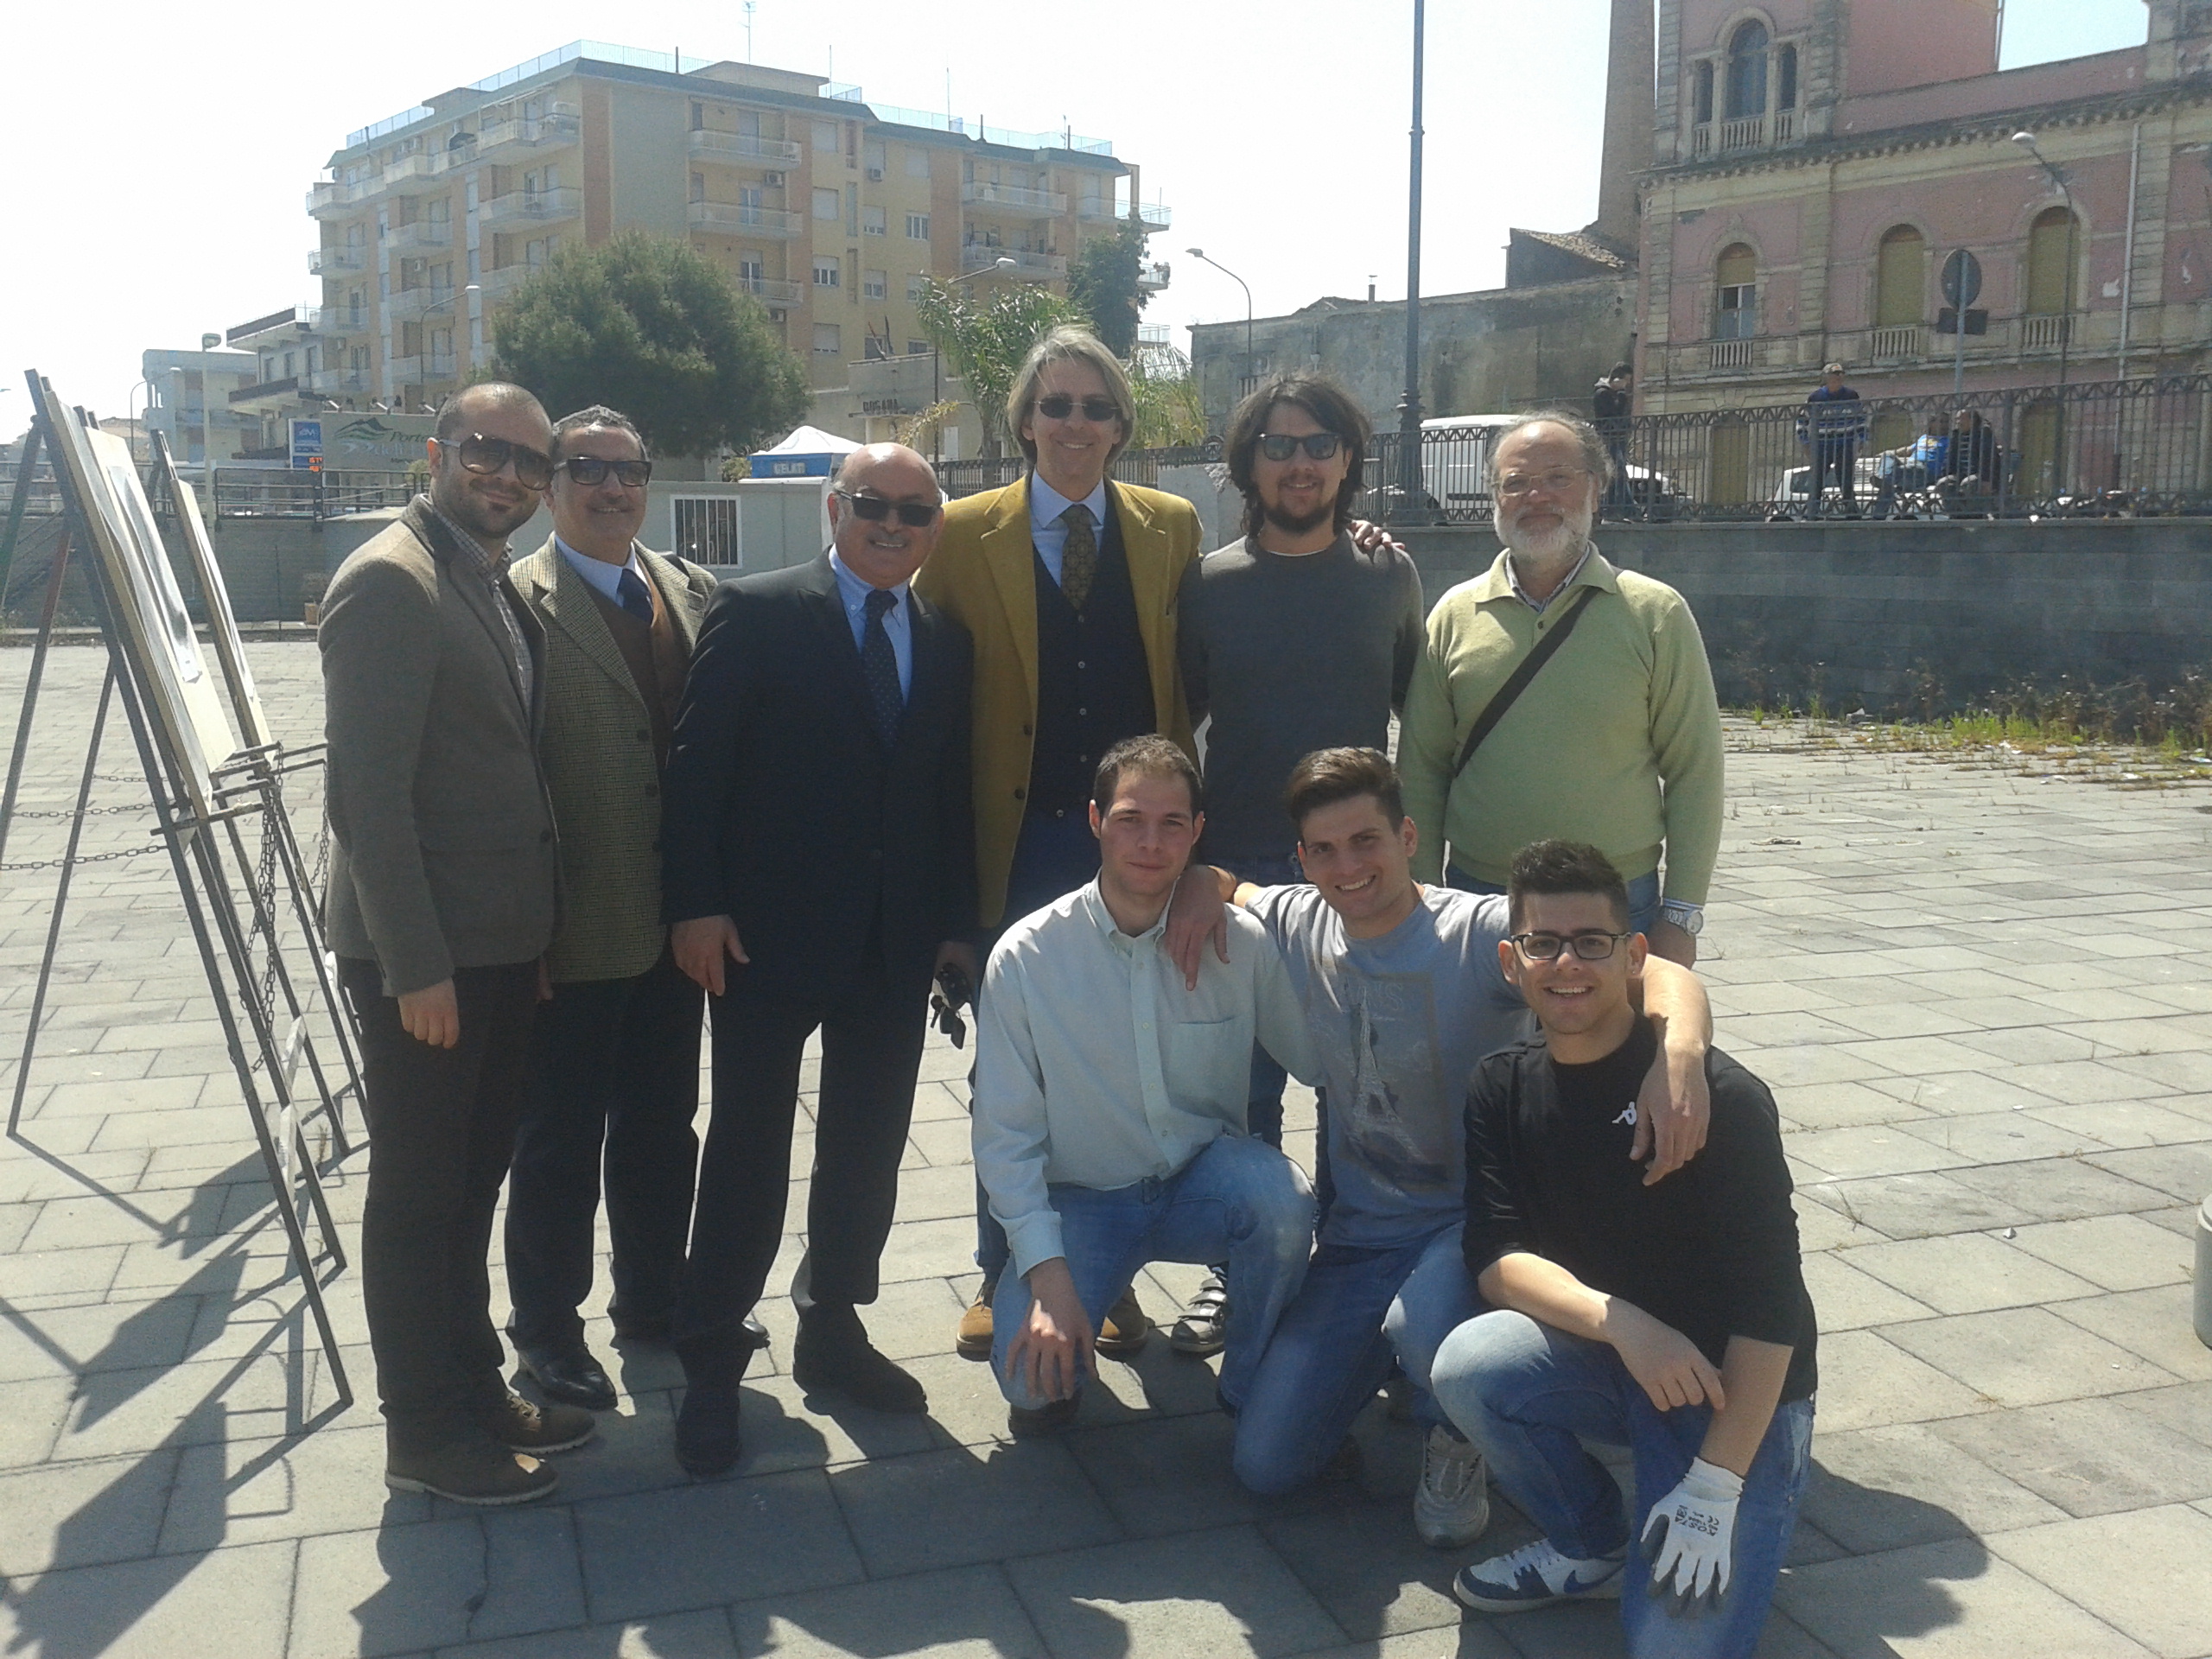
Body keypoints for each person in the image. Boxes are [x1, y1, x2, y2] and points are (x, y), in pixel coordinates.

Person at [1219, 750, 1713, 1551]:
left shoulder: (1476, 930)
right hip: (1359, 1239)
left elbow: (1658, 973)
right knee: (1266, 1466)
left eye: (1367, 840)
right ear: (1302, 860)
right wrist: (1203, 900)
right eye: (1326, 850)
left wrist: (1680, 1056)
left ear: (1408, 836)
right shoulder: (1296, 916)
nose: (1350, 867)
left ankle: (1456, 1432)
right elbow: (1219, 883)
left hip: (1474, 1228)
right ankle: (1382, 1373)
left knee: (1430, 1334)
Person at [659, 443, 976, 1478]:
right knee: (747, 1146)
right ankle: (712, 1357)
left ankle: (833, 1325)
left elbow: (945, 793)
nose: (893, 525)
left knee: (867, 1143)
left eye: (915, 512)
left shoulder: (943, 633)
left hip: (890, 943)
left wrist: (955, 927)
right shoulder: (756, 612)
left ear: (936, 525)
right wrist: (695, 906)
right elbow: (696, 772)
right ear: (834, 508)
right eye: (873, 505)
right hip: (764, 937)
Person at [1430, 840, 1816, 1658]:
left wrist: (1715, 1487)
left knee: (1669, 1649)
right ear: (1512, 960)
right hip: (1626, 1356)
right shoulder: (1500, 1084)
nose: (1567, 963)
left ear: (1634, 953)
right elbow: (1495, 1254)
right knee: (1470, 1362)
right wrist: (1622, 1324)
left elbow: (1773, 1311)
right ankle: (1590, 1541)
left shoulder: (1719, 1099)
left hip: (1728, 1393)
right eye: (1543, 942)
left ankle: (1714, 1492)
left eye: (1592, 942)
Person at [321, 381, 591, 1505]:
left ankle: (474, 1383)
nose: (511, 477)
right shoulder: (391, 580)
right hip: (425, 963)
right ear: (440, 450)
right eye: (489, 452)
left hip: (493, 946)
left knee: (472, 1183)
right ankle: (423, 1431)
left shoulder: (476, 576)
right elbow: (366, 799)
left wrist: (522, 939)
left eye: (533, 464)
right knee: (421, 1196)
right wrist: (415, 966)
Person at [915, 327, 1205, 1360]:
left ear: (1120, 426)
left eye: (1094, 408)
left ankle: (1106, 1272)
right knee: (1015, 1068)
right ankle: (1004, 1266)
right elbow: (935, 716)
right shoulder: (957, 533)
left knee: (1124, 1065)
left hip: (1131, 844)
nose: (1074, 425)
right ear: (1024, 421)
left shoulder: (1171, 527)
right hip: (1019, 840)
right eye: (1055, 406)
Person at [1169, 375, 1424, 1356]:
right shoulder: (1210, 582)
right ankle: (1241, 1273)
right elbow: (1179, 718)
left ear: (1349, 459)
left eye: (1319, 442)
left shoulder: (1385, 576)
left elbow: (1421, 720)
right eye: (1277, 445)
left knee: (1361, 1093)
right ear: (1247, 465)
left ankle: (1353, 1281)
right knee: (1241, 1093)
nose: (1300, 461)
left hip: (1355, 877)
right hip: (1236, 870)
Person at [972, 736, 1320, 1436]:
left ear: (1197, 834)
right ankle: (1086, 1304)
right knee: (1027, 1385)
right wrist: (1047, 1278)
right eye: (1130, 820)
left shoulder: (1240, 943)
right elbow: (1004, 1137)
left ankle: (1252, 1387)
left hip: (1200, 1183)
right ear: (1096, 822)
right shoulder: (1028, 957)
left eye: (1172, 825)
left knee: (1284, 1202)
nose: (1151, 843)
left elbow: (1318, 1061)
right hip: (1085, 1200)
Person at [500, 406, 722, 1411]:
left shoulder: (688, 588)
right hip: (571, 927)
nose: (611, 487)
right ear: (551, 487)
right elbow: (501, 778)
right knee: (557, 1141)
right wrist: (523, 929)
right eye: (585, 470)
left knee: (662, 1127)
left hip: (674, 924)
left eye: (627, 469)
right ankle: (546, 1331)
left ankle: (654, 1300)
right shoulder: (515, 599)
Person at [1397, 411, 1723, 969]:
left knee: (1608, 1055)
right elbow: (1422, 767)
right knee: (1483, 1055)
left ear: (1596, 490)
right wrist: (1426, 899)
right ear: (1494, 498)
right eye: (1515, 482)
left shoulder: (1653, 613)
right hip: (1479, 900)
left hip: (1619, 905)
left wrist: (1681, 915)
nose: (1536, 496)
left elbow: (1695, 769)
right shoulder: (1454, 614)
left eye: (1557, 478)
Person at [1796, 363, 1867, 519]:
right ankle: (1812, 512)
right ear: (1826, 378)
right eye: (1835, 375)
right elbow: (1802, 420)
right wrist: (1805, 442)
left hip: (1845, 441)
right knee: (1818, 478)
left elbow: (1860, 419)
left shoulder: (1851, 395)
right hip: (1823, 443)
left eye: (1840, 375)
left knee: (1846, 477)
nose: (1838, 378)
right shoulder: (1816, 397)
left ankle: (1851, 512)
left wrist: (1862, 439)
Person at [1868, 416, 1948, 520]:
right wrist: (1890, 452)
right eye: (1941, 421)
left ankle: (1883, 481)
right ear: (1931, 424)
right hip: (1909, 468)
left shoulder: (1949, 440)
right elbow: (1908, 449)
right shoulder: (1924, 438)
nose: (1944, 424)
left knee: (1892, 478)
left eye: (1946, 422)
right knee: (1888, 456)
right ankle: (1884, 480)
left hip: (1925, 470)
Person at [1592, 364, 1635, 518]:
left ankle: (1627, 507)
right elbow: (1612, 415)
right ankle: (1623, 507)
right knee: (1617, 472)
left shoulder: (1614, 394)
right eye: (1626, 381)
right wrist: (1621, 398)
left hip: (1617, 437)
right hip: (1609, 437)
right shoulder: (1603, 394)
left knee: (1620, 472)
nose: (1627, 385)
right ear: (1618, 379)